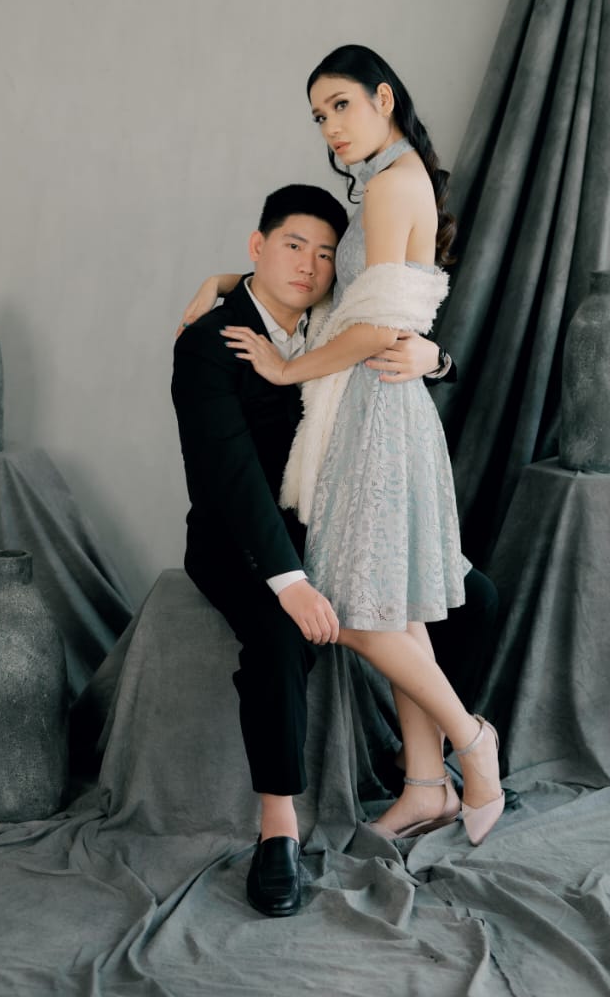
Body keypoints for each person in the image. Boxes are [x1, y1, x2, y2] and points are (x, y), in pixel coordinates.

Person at [220, 46, 505, 857]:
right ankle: (424, 787)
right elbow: (356, 303)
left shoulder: (389, 183)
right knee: (395, 606)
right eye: (319, 116)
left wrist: (285, 368)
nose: (330, 128)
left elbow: (377, 327)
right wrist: (225, 283)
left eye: (341, 105)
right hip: (373, 403)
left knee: (351, 606)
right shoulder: (390, 178)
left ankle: (470, 741)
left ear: (383, 98)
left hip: (376, 408)